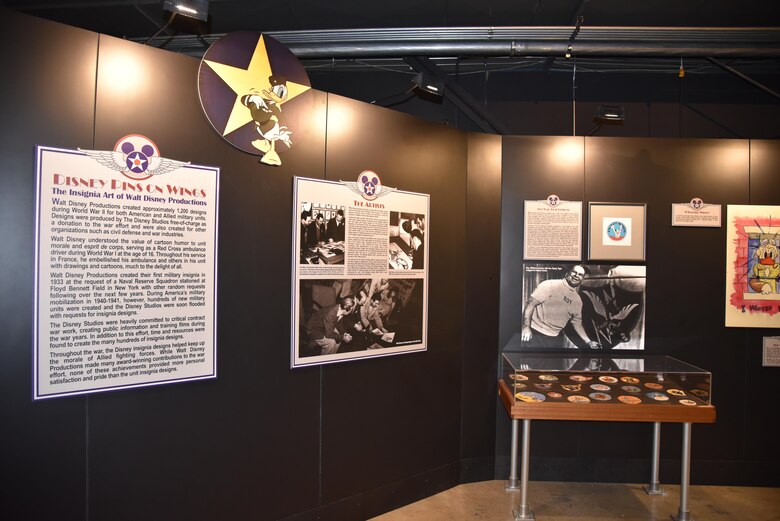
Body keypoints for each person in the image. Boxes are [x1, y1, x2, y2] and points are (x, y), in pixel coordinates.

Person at [521, 265, 600, 350]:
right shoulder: (549, 285)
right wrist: (526, 327)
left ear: (582, 279)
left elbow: (577, 323)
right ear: (567, 274)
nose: (576, 275)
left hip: (555, 339)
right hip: (535, 334)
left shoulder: (577, 300)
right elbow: (530, 304)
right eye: (574, 272)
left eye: (580, 274)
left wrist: (588, 341)